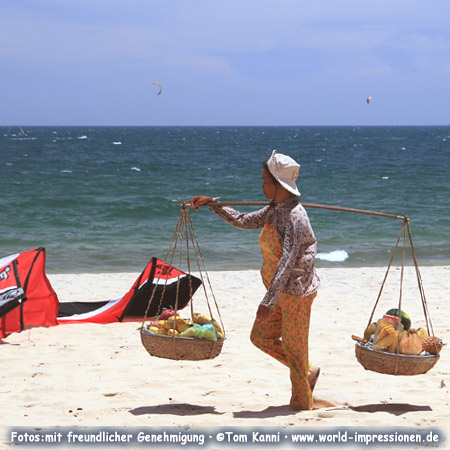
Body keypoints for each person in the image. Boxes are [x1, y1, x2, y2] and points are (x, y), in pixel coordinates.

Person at [190, 150, 320, 410]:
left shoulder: (294, 216)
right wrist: (212, 204)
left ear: (278, 184)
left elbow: (288, 261)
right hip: (277, 290)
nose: (261, 185)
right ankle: (306, 371)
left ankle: (302, 405)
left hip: (296, 293)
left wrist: (268, 302)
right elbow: (242, 220)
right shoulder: (275, 210)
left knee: (294, 350)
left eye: (264, 181)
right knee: (260, 337)